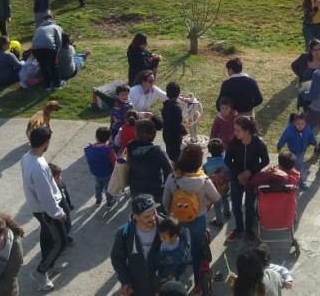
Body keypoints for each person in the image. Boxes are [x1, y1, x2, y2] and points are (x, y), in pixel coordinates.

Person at [161, 143, 220, 289]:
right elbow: (217, 198)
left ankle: (176, 283)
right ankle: (199, 285)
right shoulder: (204, 180)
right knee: (198, 252)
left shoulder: (173, 178)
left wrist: (172, 215)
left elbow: (165, 201)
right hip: (198, 219)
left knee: (177, 250)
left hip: (176, 220)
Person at [20, 126, 67, 292]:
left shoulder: (27, 157)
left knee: (47, 237)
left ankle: (49, 265)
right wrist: (58, 213)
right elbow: (45, 196)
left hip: (39, 209)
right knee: (60, 242)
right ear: (46, 143)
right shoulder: (39, 167)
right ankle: (41, 272)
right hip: (47, 211)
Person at [225, 115, 270, 242]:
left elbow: (265, 161)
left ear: (248, 131)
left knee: (250, 205)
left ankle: (249, 229)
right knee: (236, 204)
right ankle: (239, 228)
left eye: (238, 130)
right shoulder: (234, 142)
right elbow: (227, 160)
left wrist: (250, 172)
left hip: (252, 179)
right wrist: (239, 173)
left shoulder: (259, 143)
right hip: (236, 178)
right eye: (235, 129)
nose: (235, 133)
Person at [110, 194, 165, 296]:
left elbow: (181, 253)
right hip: (137, 289)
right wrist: (126, 281)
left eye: (154, 212)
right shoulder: (124, 233)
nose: (153, 218)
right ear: (136, 216)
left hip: (162, 288)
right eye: (147, 216)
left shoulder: (166, 227)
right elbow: (117, 259)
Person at [127, 119, 173, 203]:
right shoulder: (157, 151)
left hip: (135, 190)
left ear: (136, 133)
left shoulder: (129, 147)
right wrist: (165, 187)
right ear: (154, 134)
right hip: (154, 191)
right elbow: (169, 170)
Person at [276, 112, 317, 188]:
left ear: (305, 123)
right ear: (294, 123)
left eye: (302, 124)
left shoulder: (307, 128)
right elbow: (283, 137)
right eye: (298, 124)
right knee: (299, 166)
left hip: (302, 150)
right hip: (293, 151)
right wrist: (279, 146)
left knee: (296, 165)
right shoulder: (289, 130)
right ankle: (302, 181)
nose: (300, 126)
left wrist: (314, 143)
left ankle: (293, 179)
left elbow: (311, 135)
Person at [84, 126, 117, 208]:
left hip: (96, 172)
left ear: (96, 136)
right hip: (107, 173)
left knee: (98, 187)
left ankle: (98, 200)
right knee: (108, 188)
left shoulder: (88, 148)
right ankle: (110, 201)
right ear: (109, 137)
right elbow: (114, 162)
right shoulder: (109, 150)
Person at [31, 14, 64, 92]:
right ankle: (57, 84)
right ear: (53, 19)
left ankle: (47, 86)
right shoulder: (56, 27)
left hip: (36, 49)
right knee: (53, 65)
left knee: (43, 66)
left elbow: (34, 41)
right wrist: (56, 53)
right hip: (49, 47)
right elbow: (59, 42)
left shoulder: (39, 28)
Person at [161, 82, 186, 163]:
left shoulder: (165, 106)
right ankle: (176, 167)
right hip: (175, 136)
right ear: (178, 94)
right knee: (176, 155)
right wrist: (183, 132)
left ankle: (172, 162)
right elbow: (178, 124)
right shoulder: (177, 108)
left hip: (166, 133)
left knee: (169, 151)